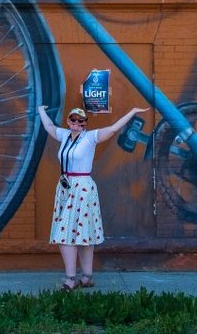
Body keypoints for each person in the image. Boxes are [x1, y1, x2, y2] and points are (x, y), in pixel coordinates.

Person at [37, 104, 146, 290]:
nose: (77, 123)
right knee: (70, 233)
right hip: (65, 188)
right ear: (68, 121)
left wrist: (132, 112)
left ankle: (75, 278)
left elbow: (112, 129)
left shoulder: (90, 137)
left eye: (81, 120)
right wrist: (40, 109)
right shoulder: (64, 135)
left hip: (82, 188)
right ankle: (82, 277)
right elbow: (48, 127)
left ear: (85, 123)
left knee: (78, 234)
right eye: (73, 119)